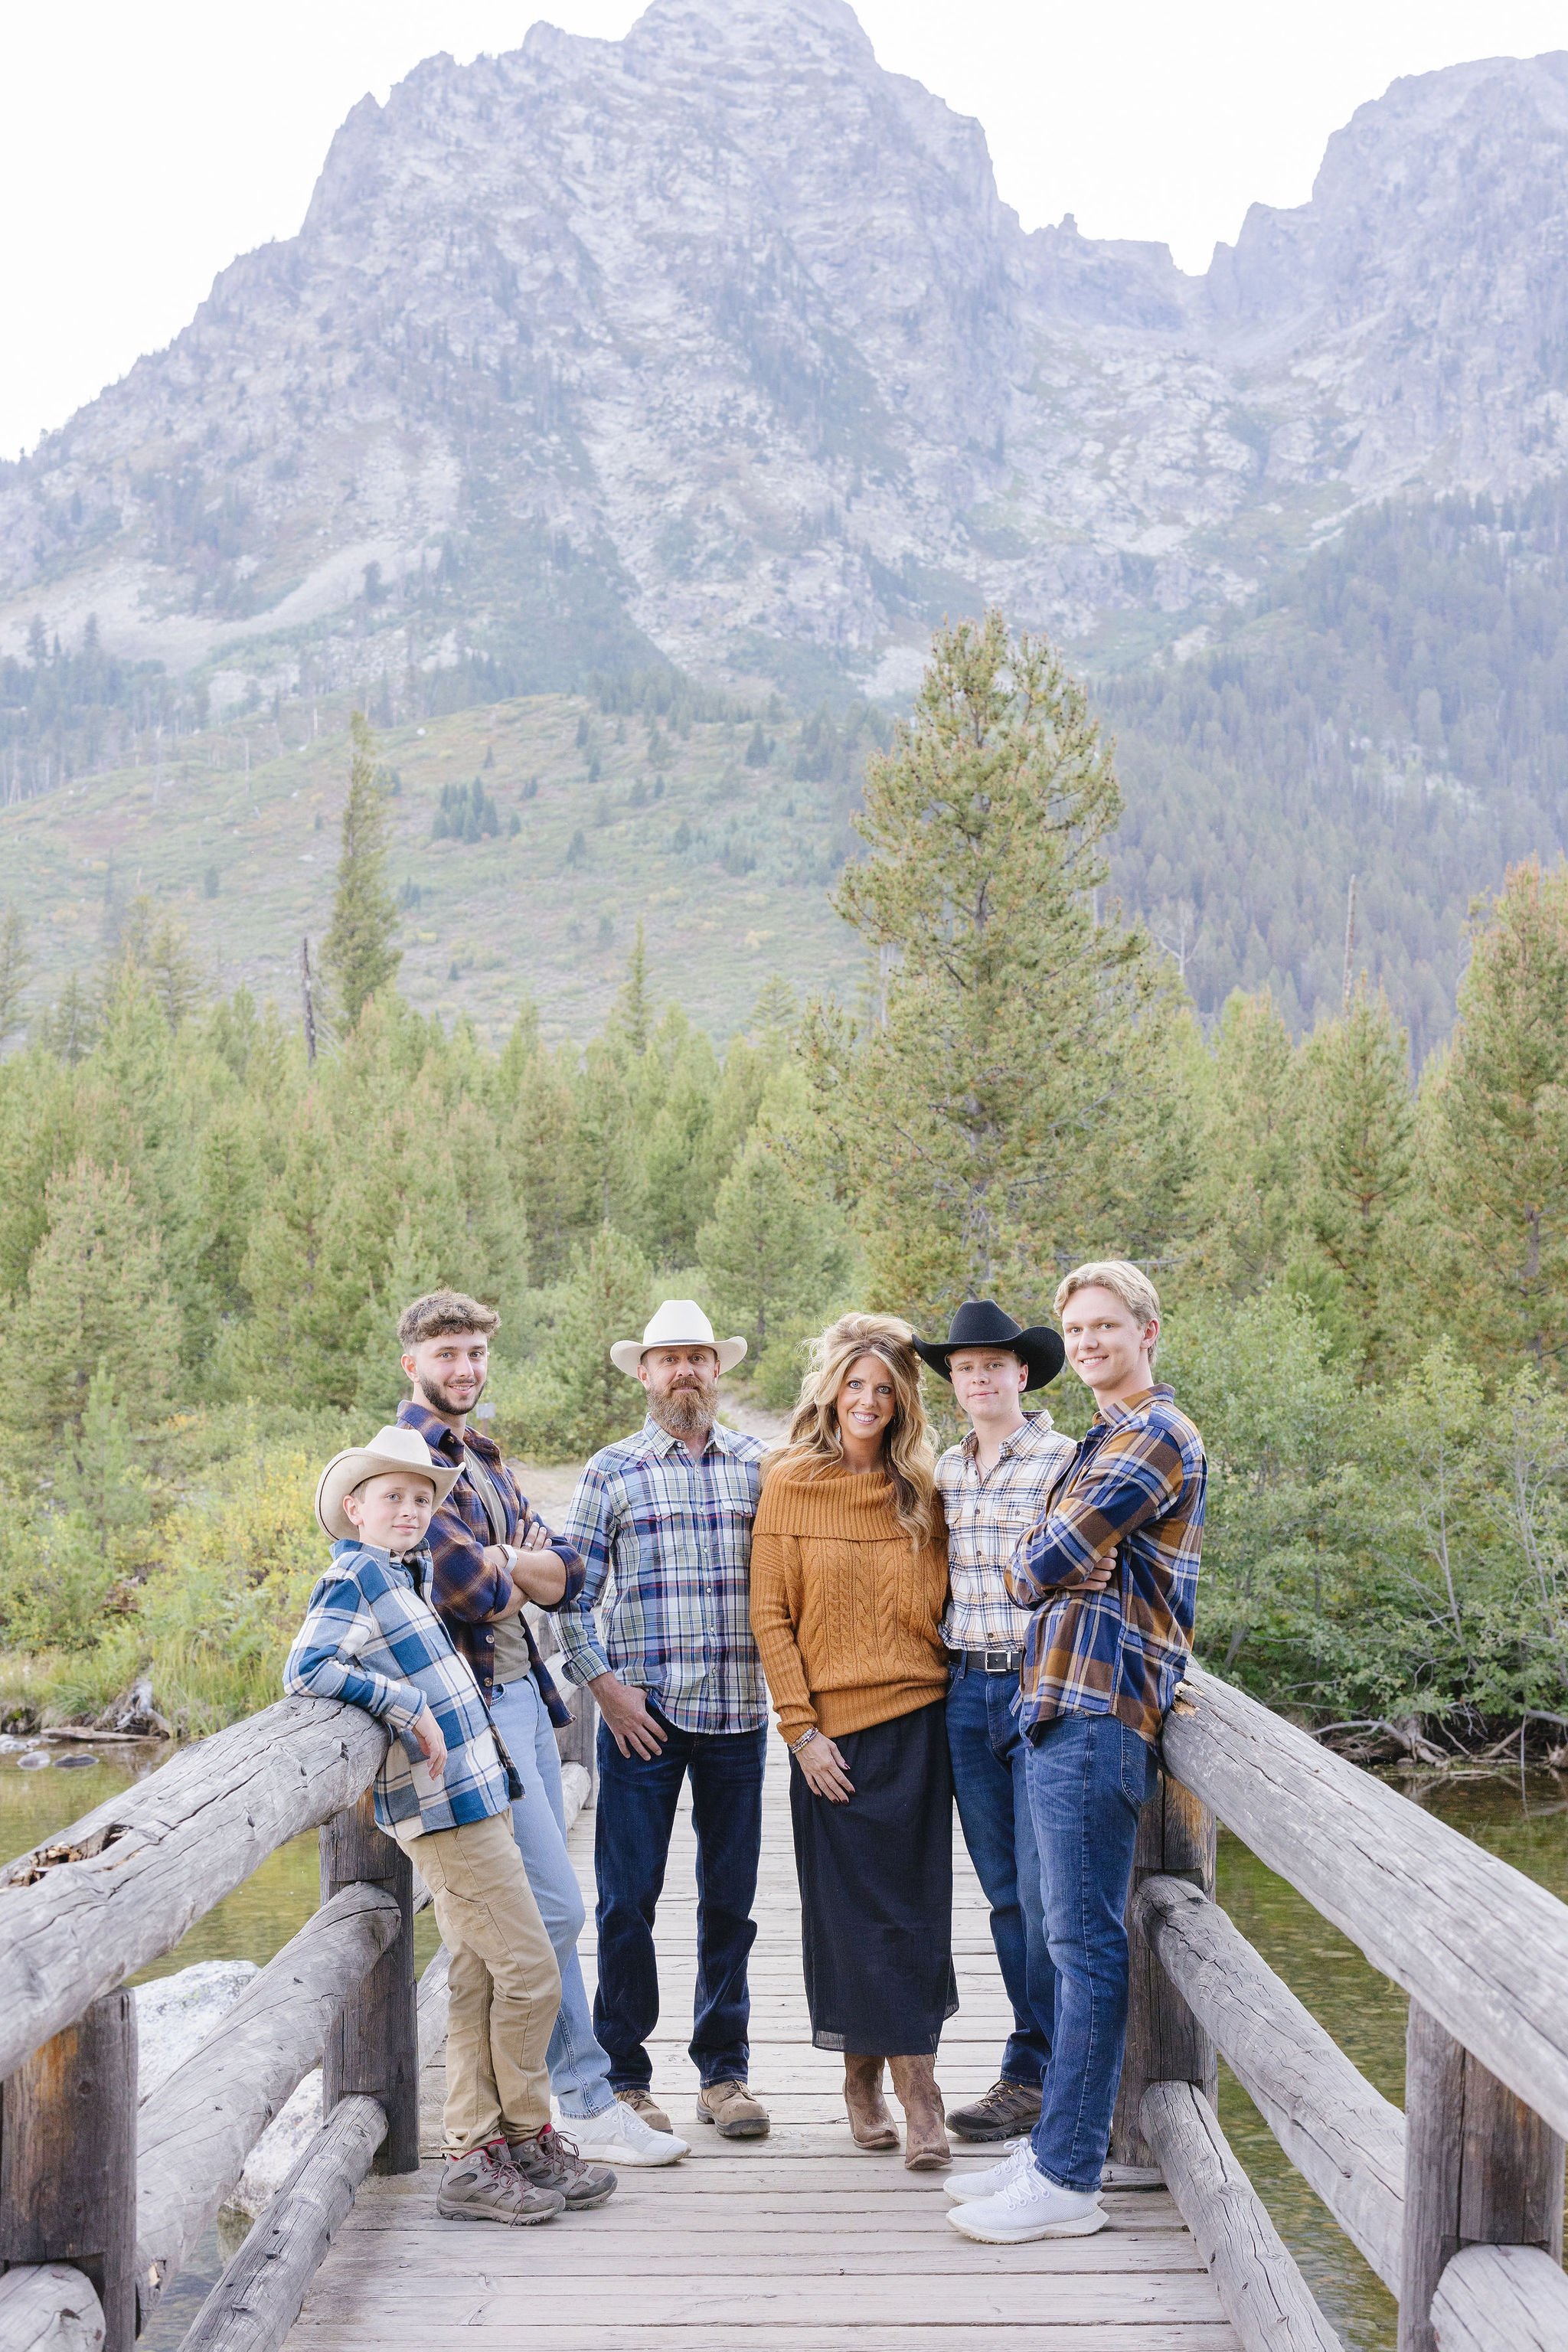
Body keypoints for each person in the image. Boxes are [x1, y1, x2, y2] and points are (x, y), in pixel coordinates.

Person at [284, 1424, 616, 2226]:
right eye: (390, 1497)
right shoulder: (355, 1577)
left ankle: (497, 2149)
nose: (408, 1509)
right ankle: (503, 2138)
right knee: (530, 1971)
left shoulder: (407, 1573)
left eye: (419, 1498)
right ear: (355, 1507)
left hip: (478, 1792)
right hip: (443, 1811)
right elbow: (306, 1667)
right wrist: (401, 1705)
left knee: (478, 1978)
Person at [396, 1289, 689, 2171]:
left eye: (475, 1353)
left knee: (524, 1922)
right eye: (447, 1355)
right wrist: (516, 1567)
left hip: (526, 1698)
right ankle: (581, 2098)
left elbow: (572, 1573)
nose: (465, 1369)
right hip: (476, 1709)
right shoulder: (410, 1460)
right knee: (548, 1910)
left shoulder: (482, 1456)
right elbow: (470, 1592)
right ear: (411, 1363)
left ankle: (520, 2119)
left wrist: (515, 1561)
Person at [947, 1261, 1206, 2246]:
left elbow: (1040, 1560)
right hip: (1057, 1701)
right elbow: (1037, 1562)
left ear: (1147, 1332)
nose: (1090, 1342)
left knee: (1084, 1946)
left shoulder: (1153, 1434)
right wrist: (1047, 1556)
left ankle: (1065, 2175)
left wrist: (1050, 1555)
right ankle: (1058, 2146)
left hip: (1099, 1709)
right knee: (1066, 1937)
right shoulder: (1100, 1439)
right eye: (1078, 1328)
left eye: (1106, 1325)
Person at [555, 1300, 773, 2141]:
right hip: (639, 1716)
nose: (684, 1371)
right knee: (626, 1900)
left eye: (698, 1357)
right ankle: (624, 2076)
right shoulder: (611, 1470)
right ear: (643, 1374)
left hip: (737, 1713)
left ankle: (724, 2074)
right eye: (668, 1359)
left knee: (731, 1902)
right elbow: (571, 1594)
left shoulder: (759, 1466)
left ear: (717, 1370)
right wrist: (604, 1689)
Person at [750, 1313, 956, 2170]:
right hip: (829, 1736)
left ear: (902, 1403)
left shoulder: (922, 1490)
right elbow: (771, 1616)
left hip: (921, 1721)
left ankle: (916, 2089)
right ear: (831, 1393)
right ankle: (866, 2081)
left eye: (884, 1390)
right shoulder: (789, 1483)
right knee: (846, 1916)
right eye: (855, 1386)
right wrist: (800, 1730)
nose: (868, 1401)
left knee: (914, 1914)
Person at [912, 1299, 1074, 2145]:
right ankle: (1032, 2068)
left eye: (992, 1366)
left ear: (1023, 1373)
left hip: (1037, 1687)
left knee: (1048, 1896)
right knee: (1006, 1894)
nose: (978, 1379)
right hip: (963, 1690)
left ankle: (1045, 2070)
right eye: (964, 1369)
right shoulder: (944, 1468)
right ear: (954, 1381)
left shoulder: (1062, 1459)